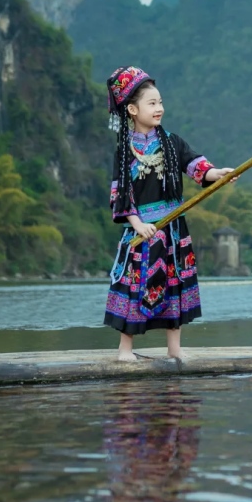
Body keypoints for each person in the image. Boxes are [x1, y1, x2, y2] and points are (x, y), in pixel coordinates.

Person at [104, 66, 233, 361]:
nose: (159, 108)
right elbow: (119, 195)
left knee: (174, 286)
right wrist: (137, 225)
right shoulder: (124, 150)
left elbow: (197, 166)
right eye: (152, 103)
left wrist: (218, 174)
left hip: (173, 230)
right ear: (133, 109)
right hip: (141, 231)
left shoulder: (173, 143)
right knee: (133, 286)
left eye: (160, 102)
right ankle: (126, 349)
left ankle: (174, 349)